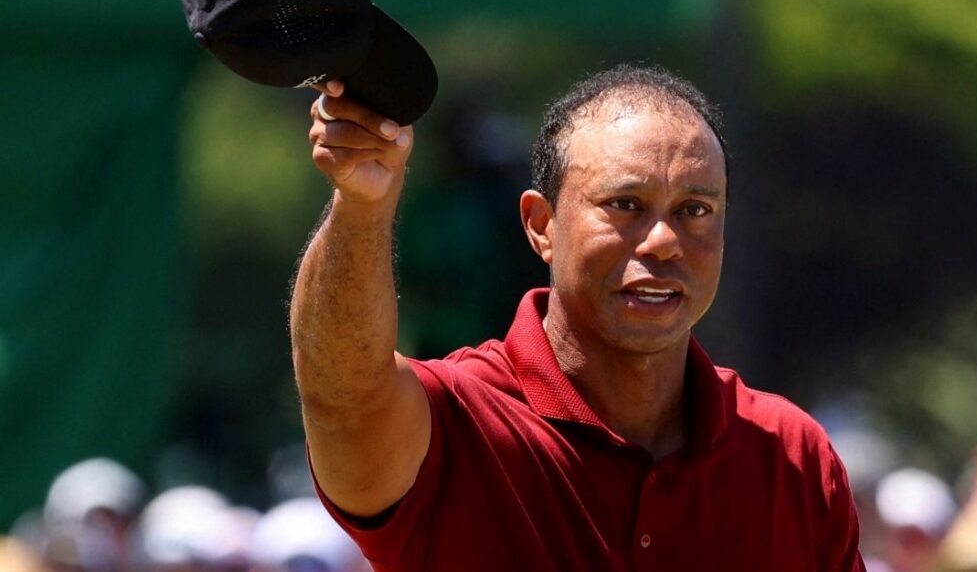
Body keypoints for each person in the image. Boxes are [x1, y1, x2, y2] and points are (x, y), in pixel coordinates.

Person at [289, 64, 865, 570]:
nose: (664, 240)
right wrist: (361, 206)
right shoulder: (456, 427)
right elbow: (344, 396)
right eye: (625, 205)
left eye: (695, 210)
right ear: (541, 225)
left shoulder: (793, 456)